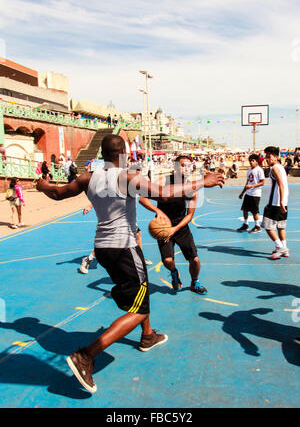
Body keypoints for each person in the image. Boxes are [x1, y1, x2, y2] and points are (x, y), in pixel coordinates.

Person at [37, 134, 224, 393]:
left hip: (102, 247)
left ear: (102, 153)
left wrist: (42, 185)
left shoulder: (88, 176)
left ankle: (148, 336)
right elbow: (164, 194)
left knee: (141, 292)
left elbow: (57, 193)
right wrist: (203, 181)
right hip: (124, 247)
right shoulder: (127, 176)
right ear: (123, 153)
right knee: (137, 308)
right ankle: (86, 355)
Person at [139, 155, 217, 295]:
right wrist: (158, 211)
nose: (186, 168)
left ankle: (194, 282)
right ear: (175, 167)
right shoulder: (163, 181)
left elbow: (189, 215)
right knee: (168, 260)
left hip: (180, 226)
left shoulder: (193, 188)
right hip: (163, 226)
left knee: (195, 259)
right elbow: (143, 199)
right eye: (182, 165)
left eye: (189, 165)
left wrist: (175, 229)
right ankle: (174, 273)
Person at [261, 146, 289, 260]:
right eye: (266, 157)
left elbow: (281, 184)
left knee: (268, 226)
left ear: (276, 157)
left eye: (269, 157)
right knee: (281, 227)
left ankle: (280, 247)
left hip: (275, 203)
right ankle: (285, 248)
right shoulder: (281, 167)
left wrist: (281, 201)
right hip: (283, 201)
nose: (267, 159)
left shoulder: (274, 169)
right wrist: (284, 201)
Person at [237, 154, 265, 233]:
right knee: (244, 210)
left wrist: (252, 186)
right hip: (248, 193)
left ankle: (257, 226)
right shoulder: (249, 170)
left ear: (256, 162)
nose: (251, 162)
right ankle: (246, 224)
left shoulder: (259, 170)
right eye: (250, 161)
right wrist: (242, 193)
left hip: (255, 194)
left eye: (253, 161)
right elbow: (247, 182)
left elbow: (262, 182)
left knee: (254, 211)